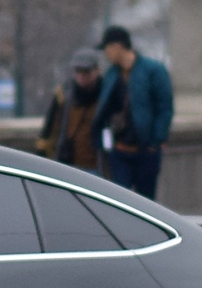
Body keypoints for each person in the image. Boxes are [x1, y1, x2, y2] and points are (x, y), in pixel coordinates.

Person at [93, 25, 174, 198]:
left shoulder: (153, 70)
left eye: (107, 49)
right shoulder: (112, 75)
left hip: (146, 151)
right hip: (120, 150)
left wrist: (156, 141)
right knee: (119, 200)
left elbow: (164, 107)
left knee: (146, 202)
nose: (106, 54)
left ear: (117, 46)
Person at [36, 49, 105, 170]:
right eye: (78, 71)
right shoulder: (64, 95)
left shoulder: (106, 94)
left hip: (97, 164)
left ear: (97, 71)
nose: (81, 76)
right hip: (70, 162)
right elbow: (51, 127)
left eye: (86, 71)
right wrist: (43, 150)